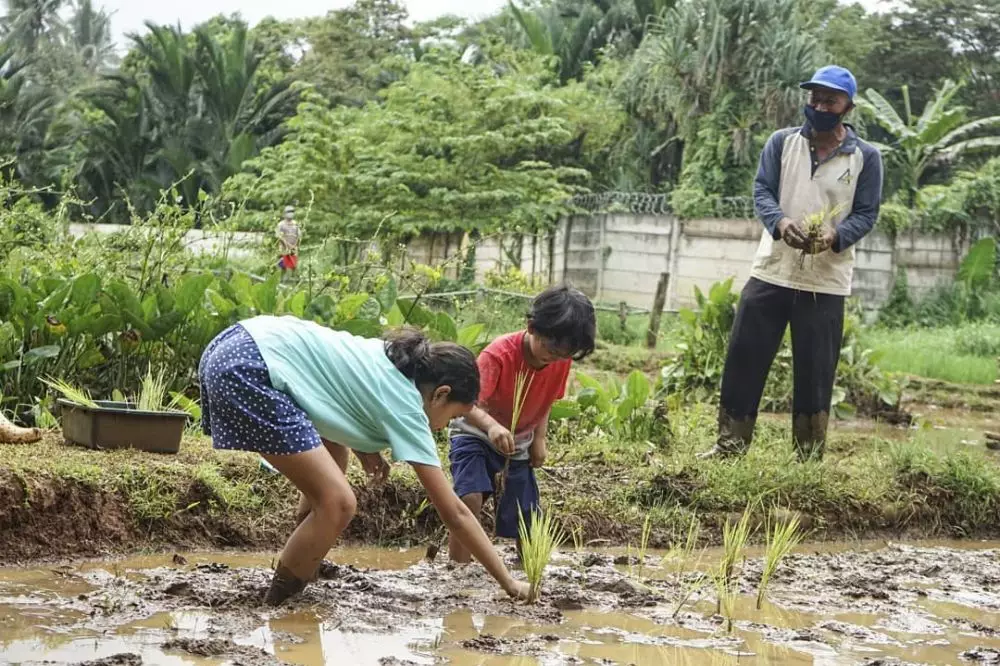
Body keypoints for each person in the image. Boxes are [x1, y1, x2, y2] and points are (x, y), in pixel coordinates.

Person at [198, 315, 531, 605]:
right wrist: (509, 583)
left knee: (335, 456)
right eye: (453, 416)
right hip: (249, 369)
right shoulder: (409, 407)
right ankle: (281, 603)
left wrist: (363, 448)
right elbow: (455, 514)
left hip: (236, 341)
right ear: (440, 394)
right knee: (338, 502)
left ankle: (304, 564)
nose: (444, 427)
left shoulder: (393, 361)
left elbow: (342, 392)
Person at [699, 65, 883, 462]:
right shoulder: (782, 143)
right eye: (815, 98)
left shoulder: (865, 157)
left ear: (848, 108)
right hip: (772, 270)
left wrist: (834, 235)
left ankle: (807, 457)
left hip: (825, 280)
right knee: (744, 358)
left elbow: (867, 213)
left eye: (830, 100)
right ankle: (730, 445)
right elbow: (762, 191)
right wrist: (781, 223)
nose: (820, 106)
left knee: (816, 371)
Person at [448, 285, 596, 563]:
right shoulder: (497, 356)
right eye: (550, 349)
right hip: (474, 434)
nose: (553, 358)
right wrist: (491, 426)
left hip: (519, 443)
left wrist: (539, 439)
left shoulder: (560, 362)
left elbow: (547, 400)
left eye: (563, 354)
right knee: (469, 498)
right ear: (531, 327)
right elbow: (466, 405)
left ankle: (529, 570)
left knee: (527, 513)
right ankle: (457, 569)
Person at [276, 205, 300, 273]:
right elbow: (279, 236)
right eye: (289, 211)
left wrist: (294, 245)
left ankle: (293, 278)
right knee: (282, 267)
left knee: (293, 266)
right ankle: (282, 278)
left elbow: (298, 236)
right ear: (284, 213)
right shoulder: (281, 224)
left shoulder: (295, 224)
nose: (290, 213)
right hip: (283, 249)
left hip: (293, 249)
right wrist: (287, 245)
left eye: (292, 211)